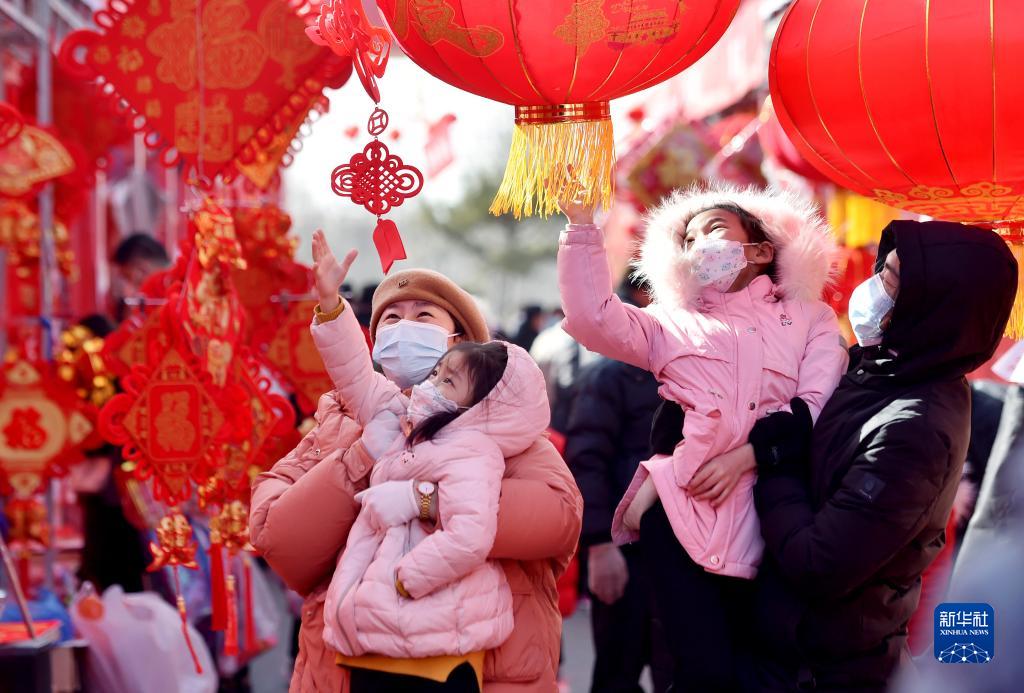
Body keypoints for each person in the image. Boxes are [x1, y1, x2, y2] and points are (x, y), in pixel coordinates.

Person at [249, 232, 582, 693]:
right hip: (352, 657)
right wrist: (360, 458)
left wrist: (427, 501)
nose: (404, 328)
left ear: (460, 340)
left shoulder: (501, 427)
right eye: (390, 319)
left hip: (473, 661)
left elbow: (558, 518)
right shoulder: (348, 418)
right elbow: (275, 535)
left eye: (423, 316)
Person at [557, 184, 847, 691]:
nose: (699, 245)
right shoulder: (668, 323)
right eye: (688, 239)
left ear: (760, 250)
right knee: (700, 673)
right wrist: (582, 229)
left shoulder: (812, 319)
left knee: (763, 673)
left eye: (714, 230)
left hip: (776, 516)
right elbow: (591, 318)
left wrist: (748, 455)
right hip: (682, 513)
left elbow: (816, 405)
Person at [747, 220, 1017, 691]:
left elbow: (819, 563)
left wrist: (776, 463)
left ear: (932, 306)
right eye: (882, 270)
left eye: (890, 280)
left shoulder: (916, 428)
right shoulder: (881, 368)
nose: (872, 289)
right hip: (783, 646)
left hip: (823, 667)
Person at [310, 249, 548, 689]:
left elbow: (473, 533)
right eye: (392, 319)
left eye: (423, 315)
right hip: (375, 634)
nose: (433, 383)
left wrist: (408, 575)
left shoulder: (474, 445)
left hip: (434, 637)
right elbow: (353, 372)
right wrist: (330, 306)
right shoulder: (399, 417)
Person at [565, 277, 671, 693]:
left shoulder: (695, 374)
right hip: (623, 549)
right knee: (616, 673)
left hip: (684, 552)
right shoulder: (610, 376)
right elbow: (586, 460)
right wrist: (599, 546)